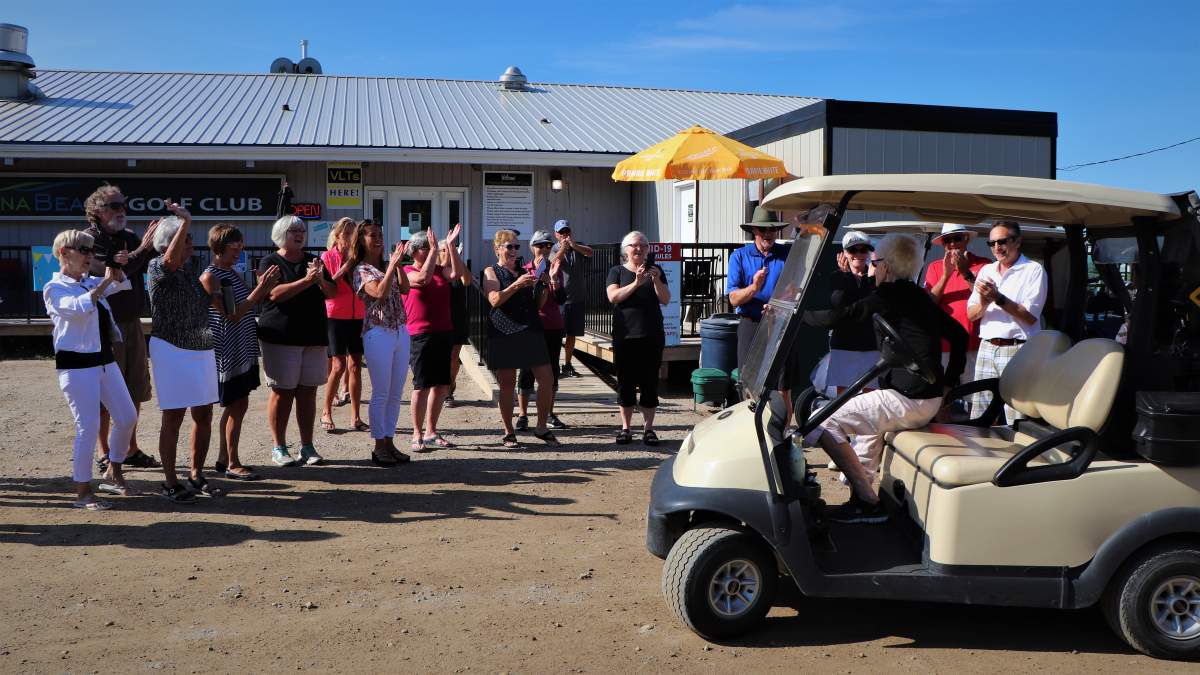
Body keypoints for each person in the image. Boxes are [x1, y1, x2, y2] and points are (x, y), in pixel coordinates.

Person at [801, 234, 968, 523]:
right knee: (867, 424)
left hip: (908, 398)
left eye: (875, 263)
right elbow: (959, 337)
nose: (872, 269)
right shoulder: (918, 296)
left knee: (823, 420)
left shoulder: (890, 295)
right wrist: (948, 386)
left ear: (887, 267)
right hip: (922, 396)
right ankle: (861, 496)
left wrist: (798, 315)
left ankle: (868, 503)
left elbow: (841, 316)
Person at [44, 229, 136, 510]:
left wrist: (117, 265)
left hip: (104, 360)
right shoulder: (54, 288)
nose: (88, 255)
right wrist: (107, 279)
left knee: (127, 416)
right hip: (76, 365)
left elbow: (121, 283)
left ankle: (113, 472)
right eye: (82, 250)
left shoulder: (88, 282)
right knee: (88, 426)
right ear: (64, 253)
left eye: (90, 250)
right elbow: (77, 309)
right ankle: (82, 492)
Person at [82, 184, 161, 471]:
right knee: (106, 392)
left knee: (135, 388)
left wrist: (159, 243)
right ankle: (105, 451)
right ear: (97, 210)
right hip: (103, 327)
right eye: (114, 206)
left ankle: (129, 448)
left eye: (123, 205)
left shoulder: (128, 237)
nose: (121, 211)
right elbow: (115, 274)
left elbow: (147, 262)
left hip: (132, 321)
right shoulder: (89, 240)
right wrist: (144, 248)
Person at [146, 205, 221, 504]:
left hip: (201, 348)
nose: (191, 243)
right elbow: (168, 262)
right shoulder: (156, 266)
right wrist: (184, 221)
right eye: (185, 238)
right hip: (171, 349)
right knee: (174, 415)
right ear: (170, 242)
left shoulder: (190, 272)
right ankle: (169, 481)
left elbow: (207, 304)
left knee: (203, 413)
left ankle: (196, 473)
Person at [199, 224, 280, 481]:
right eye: (234, 247)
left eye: (240, 247)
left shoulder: (229, 273)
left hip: (241, 346)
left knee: (239, 404)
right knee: (235, 404)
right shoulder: (211, 276)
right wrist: (262, 289)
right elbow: (233, 314)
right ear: (220, 247)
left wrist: (259, 288)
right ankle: (232, 462)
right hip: (228, 349)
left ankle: (225, 458)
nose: (239, 252)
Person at [257, 215, 337, 467]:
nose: (299, 234)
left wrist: (320, 278)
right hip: (281, 337)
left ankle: (307, 446)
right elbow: (274, 294)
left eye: (302, 230)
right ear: (281, 233)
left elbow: (333, 292)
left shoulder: (314, 260)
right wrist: (306, 281)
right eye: (294, 230)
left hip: (313, 336)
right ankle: (279, 447)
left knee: (308, 392)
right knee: (283, 392)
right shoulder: (270, 260)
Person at [482, 229, 560, 449]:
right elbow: (495, 300)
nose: (514, 251)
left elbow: (539, 304)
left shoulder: (526, 269)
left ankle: (541, 427)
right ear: (498, 249)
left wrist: (544, 284)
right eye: (509, 247)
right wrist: (517, 284)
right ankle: (509, 432)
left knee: (546, 378)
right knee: (507, 384)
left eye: (517, 246)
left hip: (530, 328)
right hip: (504, 331)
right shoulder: (491, 271)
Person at [967, 220, 1049, 423]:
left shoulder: (1033, 270)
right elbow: (971, 314)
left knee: (1015, 413)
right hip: (986, 347)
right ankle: (978, 453)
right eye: (992, 243)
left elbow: (1030, 316)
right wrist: (985, 303)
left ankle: (1017, 452)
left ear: (1018, 242)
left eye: (1002, 241)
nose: (996, 248)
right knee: (980, 412)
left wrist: (997, 298)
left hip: (1017, 349)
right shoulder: (986, 271)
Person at [350, 220, 412, 465]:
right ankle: (378, 446)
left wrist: (396, 266)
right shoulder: (361, 269)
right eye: (372, 235)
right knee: (381, 392)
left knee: (396, 393)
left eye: (380, 235)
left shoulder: (388, 264)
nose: (378, 239)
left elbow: (405, 288)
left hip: (400, 330)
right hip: (378, 332)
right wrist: (392, 266)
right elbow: (379, 293)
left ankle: (389, 440)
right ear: (362, 240)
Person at [726, 207, 796, 414]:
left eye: (772, 230)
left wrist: (778, 303)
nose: (768, 234)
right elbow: (733, 298)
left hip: (780, 322)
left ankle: (781, 433)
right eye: (763, 229)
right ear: (754, 231)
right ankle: (749, 429)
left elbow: (796, 288)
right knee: (748, 379)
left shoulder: (787, 254)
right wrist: (754, 288)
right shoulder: (739, 256)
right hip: (751, 321)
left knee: (783, 382)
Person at [403, 226, 466, 452]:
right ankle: (417, 433)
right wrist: (433, 251)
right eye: (426, 248)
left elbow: (456, 274)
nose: (431, 250)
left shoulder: (440, 270)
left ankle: (431, 431)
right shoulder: (407, 270)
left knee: (441, 385)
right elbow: (422, 279)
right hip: (420, 334)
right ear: (416, 250)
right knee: (422, 386)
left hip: (443, 332)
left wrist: (450, 246)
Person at [606, 231, 670, 446]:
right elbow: (614, 297)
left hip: (651, 335)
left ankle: (648, 429)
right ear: (626, 249)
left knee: (650, 382)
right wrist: (636, 282)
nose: (639, 248)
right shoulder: (616, 271)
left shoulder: (656, 271)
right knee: (625, 382)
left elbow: (666, 299)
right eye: (634, 245)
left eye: (643, 245)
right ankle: (626, 428)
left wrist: (656, 280)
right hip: (625, 336)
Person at [923, 223, 989, 387]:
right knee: (943, 397)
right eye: (947, 240)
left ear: (966, 239)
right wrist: (946, 275)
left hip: (974, 342)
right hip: (944, 343)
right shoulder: (935, 267)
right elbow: (929, 303)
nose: (952, 244)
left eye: (957, 238)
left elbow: (986, 297)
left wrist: (965, 272)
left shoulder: (984, 264)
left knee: (973, 396)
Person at [517, 230, 568, 432]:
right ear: (532, 247)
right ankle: (522, 414)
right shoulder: (523, 270)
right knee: (527, 371)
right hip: (532, 327)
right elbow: (525, 301)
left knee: (552, 371)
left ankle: (548, 412)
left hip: (553, 326)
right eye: (540, 245)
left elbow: (562, 299)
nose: (544, 249)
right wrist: (537, 278)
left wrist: (553, 280)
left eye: (548, 246)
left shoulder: (555, 270)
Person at [320, 217, 367, 433]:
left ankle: (356, 416)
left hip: (358, 315)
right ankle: (326, 411)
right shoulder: (327, 256)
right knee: (338, 366)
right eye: (347, 233)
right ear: (338, 236)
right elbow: (331, 285)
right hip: (335, 315)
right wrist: (346, 264)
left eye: (353, 233)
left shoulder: (360, 258)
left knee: (356, 365)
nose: (351, 238)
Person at [826, 231, 880, 395]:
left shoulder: (875, 277)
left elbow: (871, 305)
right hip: (845, 345)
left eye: (863, 250)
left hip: (870, 346)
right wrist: (846, 277)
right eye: (853, 250)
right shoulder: (836, 277)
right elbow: (839, 305)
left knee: (870, 398)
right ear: (844, 254)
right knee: (843, 400)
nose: (858, 254)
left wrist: (871, 279)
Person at [550, 220, 592, 377]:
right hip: (560, 299)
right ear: (556, 234)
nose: (564, 235)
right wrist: (563, 248)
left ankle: (567, 365)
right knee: (556, 335)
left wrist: (573, 245)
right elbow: (552, 262)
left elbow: (590, 252)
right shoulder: (553, 248)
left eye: (567, 232)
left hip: (577, 298)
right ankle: (553, 365)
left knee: (572, 334)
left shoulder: (577, 245)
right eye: (561, 232)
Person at [442, 240, 472, 407]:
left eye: (450, 249)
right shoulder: (437, 270)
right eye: (444, 250)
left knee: (453, 356)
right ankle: (444, 386)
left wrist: (457, 258)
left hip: (458, 318)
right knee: (442, 357)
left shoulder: (458, 270)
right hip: (439, 319)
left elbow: (467, 280)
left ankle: (448, 390)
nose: (447, 252)